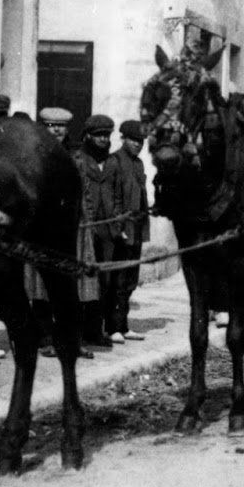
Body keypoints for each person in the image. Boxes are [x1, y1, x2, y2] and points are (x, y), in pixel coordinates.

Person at [29, 107, 99, 359]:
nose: (56, 130)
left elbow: (86, 193)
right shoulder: (34, 153)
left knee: (74, 288)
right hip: (45, 228)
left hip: (75, 229)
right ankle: (45, 338)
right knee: (42, 287)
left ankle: (72, 339)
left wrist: (88, 224)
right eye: (50, 126)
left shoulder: (78, 156)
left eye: (60, 126)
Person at [101, 120, 151, 344]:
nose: (138, 145)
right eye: (133, 140)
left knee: (131, 280)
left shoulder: (139, 164)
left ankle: (123, 325)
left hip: (136, 230)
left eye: (141, 142)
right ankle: (112, 328)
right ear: (123, 139)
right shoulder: (114, 161)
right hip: (120, 231)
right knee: (117, 281)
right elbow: (109, 198)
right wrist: (116, 227)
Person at [75, 114, 116, 348]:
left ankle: (95, 331)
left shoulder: (112, 162)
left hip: (108, 230)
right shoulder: (78, 160)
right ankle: (80, 333)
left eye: (107, 136)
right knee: (84, 282)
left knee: (105, 283)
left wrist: (117, 225)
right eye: (99, 135)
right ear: (87, 136)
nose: (103, 140)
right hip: (86, 229)